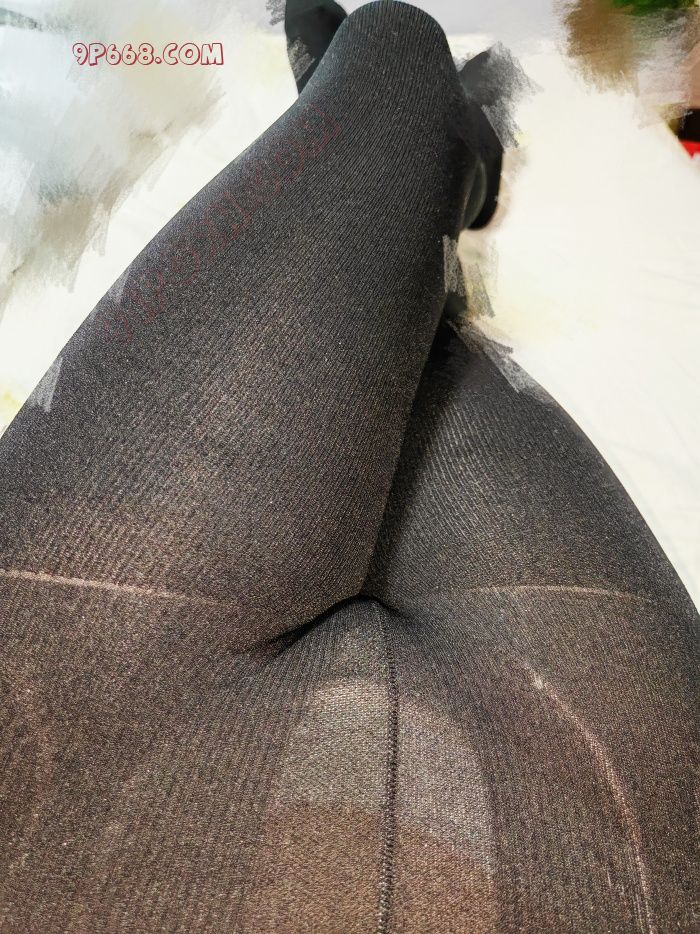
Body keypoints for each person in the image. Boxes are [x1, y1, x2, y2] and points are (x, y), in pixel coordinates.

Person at [0, 2, 696, 930]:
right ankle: (441, 165)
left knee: (382, 211)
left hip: (59, 765)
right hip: (601, 832)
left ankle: (426, 170)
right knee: (395, 51)